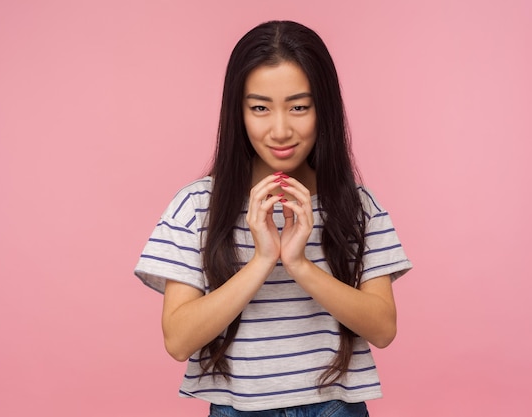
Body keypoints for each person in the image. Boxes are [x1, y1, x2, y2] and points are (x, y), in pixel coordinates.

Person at [135, 20, 412, 416]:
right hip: (237, 409)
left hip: (333, 408)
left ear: (324, 110)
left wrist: (299, 264)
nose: (280, 130)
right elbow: (178, 340)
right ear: (238, 113)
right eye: (260, 108)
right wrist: (263, 260)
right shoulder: (198, 206)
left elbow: (383, 328)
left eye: (299, 107)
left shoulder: (357, 207)